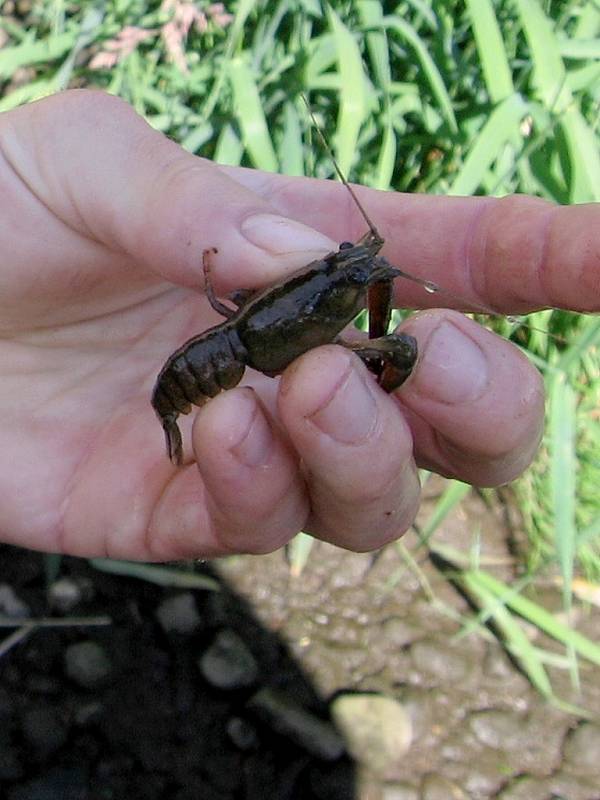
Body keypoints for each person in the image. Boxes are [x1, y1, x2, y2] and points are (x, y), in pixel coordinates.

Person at [0, 90, 597, 561]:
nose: (352, 266)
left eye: (348, 272)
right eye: (342, 260)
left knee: (340, 384)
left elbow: (263, 299)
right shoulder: (260, 325)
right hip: (202, 366)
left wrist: (342, 275)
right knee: (370, 366)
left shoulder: (271, 310)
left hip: (226, 347)